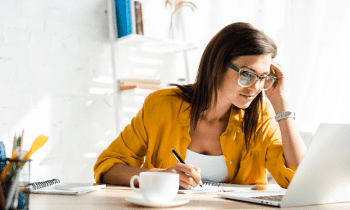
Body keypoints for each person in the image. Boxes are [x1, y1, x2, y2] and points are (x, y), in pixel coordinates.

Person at [94, 22, 307, 189]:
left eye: (263, 77)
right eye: (247, 74)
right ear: (216, 66)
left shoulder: (260, 116)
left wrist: (282, 105)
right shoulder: (162, 105)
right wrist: (160, 176)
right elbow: (108, 167)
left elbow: (301, 180)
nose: (256, 87)